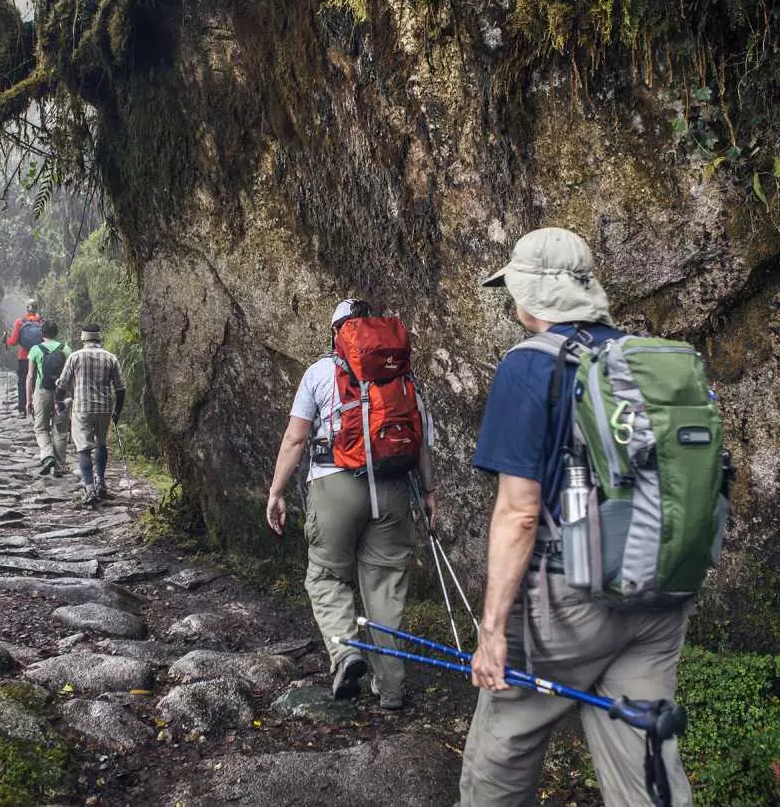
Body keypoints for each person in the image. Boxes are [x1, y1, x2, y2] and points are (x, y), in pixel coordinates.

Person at [460, 228, 694, 807]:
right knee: (645, 761)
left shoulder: (529, 366)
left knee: (504, 744)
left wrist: (492, 632)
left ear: (531, 293)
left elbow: (519, 513)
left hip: (568, 602)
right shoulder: (650, 359)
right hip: (660, 591)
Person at [265, 299, 436, 708]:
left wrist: (275, 492)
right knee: (386, 589)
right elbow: (421, 441)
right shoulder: (402, 374)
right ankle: (391, 690)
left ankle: (346, 654)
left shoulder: (320, 372)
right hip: (394, 491)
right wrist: (429, 492)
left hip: (334, 484)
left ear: (336, 332)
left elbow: (295, 439)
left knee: (326, 577)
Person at [54, 324, 125, 504]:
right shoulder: (110, 358)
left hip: (82, 409)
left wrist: (59, 402)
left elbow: (62, 385)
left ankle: (89, 489)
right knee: (101, 445)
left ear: (83, 339)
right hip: (104, 408)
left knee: (83, 448)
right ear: (99, 339)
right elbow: (120, 388)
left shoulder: (75, 357)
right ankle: (101, 483)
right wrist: (117, 411)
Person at [25, 320, 72, 477]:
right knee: (60, 429)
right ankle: (59, 465)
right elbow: (71, 375)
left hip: (42, 392)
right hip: (62, 393)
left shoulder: (35, 350)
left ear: (42, 333)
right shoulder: (65, 349)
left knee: (40, 427)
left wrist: (28, 400)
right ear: (56, 332)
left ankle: (48, 455)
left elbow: (30, 376)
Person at [4, 299, 44, 416]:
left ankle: (22, 409)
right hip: (38, 357)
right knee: (37, 382)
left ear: (26, 308)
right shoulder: (42, 322)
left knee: (22, 382)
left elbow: (12, 342)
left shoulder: (20, 322)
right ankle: (37, 408)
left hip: (23, 357)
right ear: (37, 308)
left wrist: (5, 339)